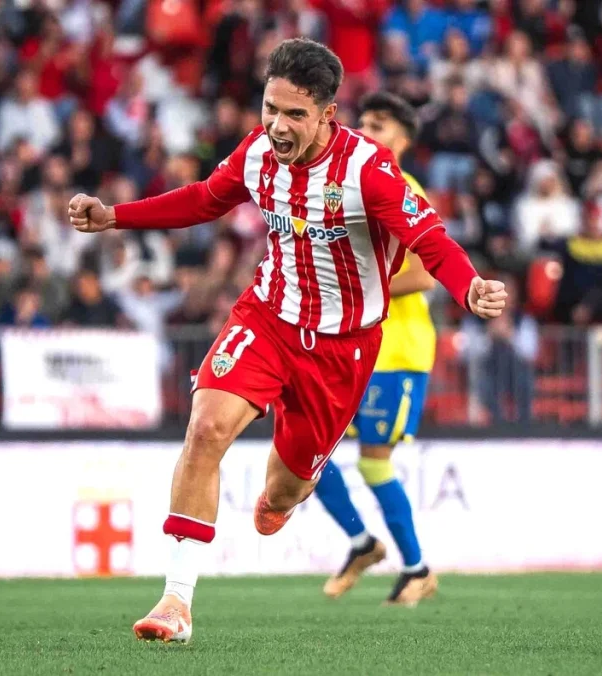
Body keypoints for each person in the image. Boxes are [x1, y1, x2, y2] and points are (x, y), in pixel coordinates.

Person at [67, 38, 508, 642]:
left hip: (342, 349)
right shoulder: (256, 152)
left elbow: (430, 239)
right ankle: (176, 601)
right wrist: (116, 215)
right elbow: (203, 200)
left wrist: (470, 286)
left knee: (287, 487)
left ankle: (284, 495)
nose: (276, 124)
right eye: (270, 109)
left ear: (329, 114)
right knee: (204, 429)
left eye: (294, 114)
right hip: (267, 319)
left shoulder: (368, 170)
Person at [312, 92, 438, 606]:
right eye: (361, 122)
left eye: (379, 125)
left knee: (373, 463)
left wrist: (361, 290)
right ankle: (364, 543)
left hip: (396, 352)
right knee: (305, 455)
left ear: (403, 141)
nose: (364, 130)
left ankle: (416, 569)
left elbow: (425, 272)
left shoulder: (404, 189)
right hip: (350, 347)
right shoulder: (344, 187)